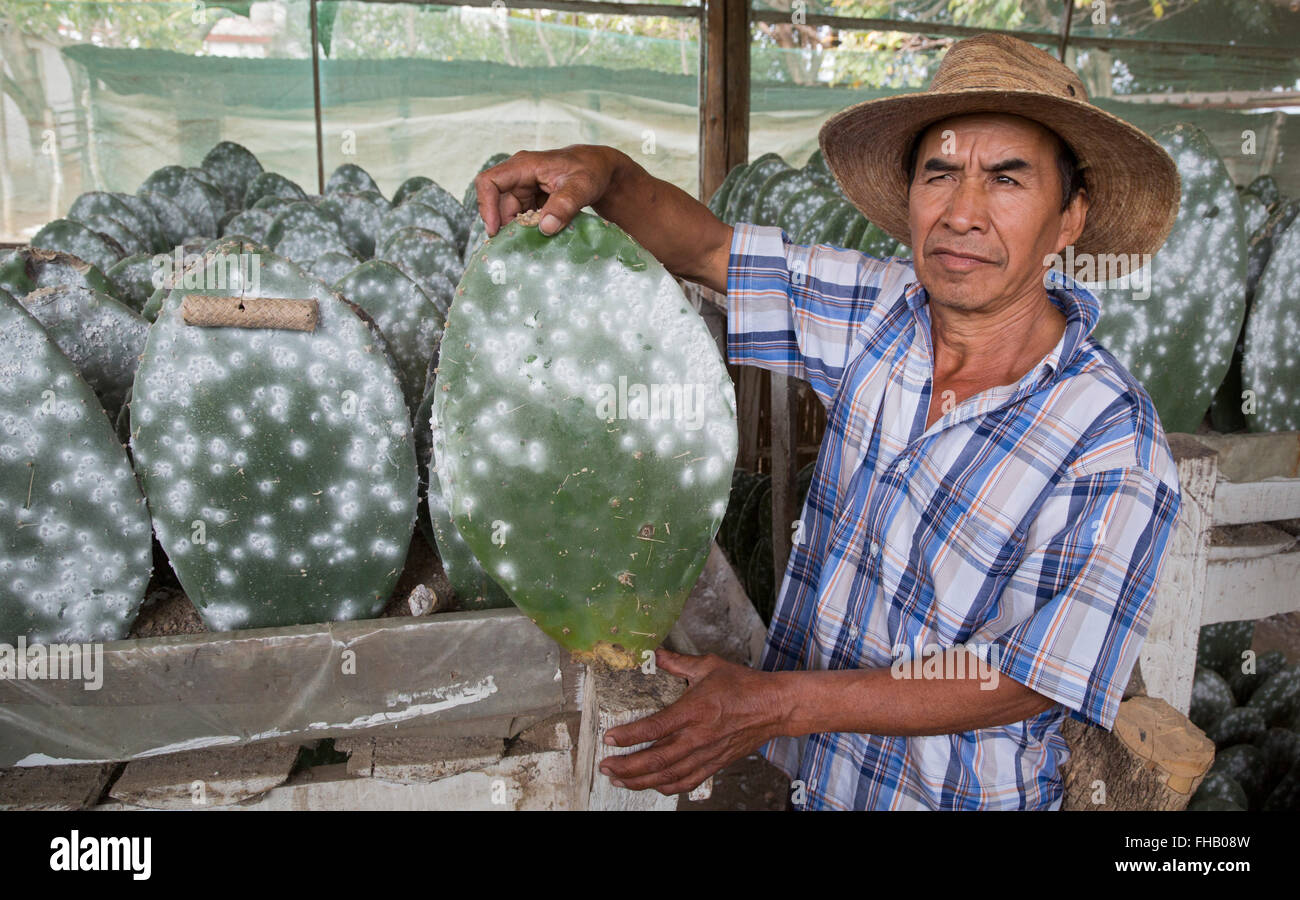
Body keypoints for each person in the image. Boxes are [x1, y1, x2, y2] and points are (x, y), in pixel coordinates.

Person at [472, 33, 1184, 810]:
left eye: (1007, 180)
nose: (963, 213)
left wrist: (776, 703)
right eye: (939, 173)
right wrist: (604, 171)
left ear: (1069, 216)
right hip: (816, 786)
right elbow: (711, 249)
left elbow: (1027, 677)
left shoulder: (1112, 441)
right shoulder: (880, 313)